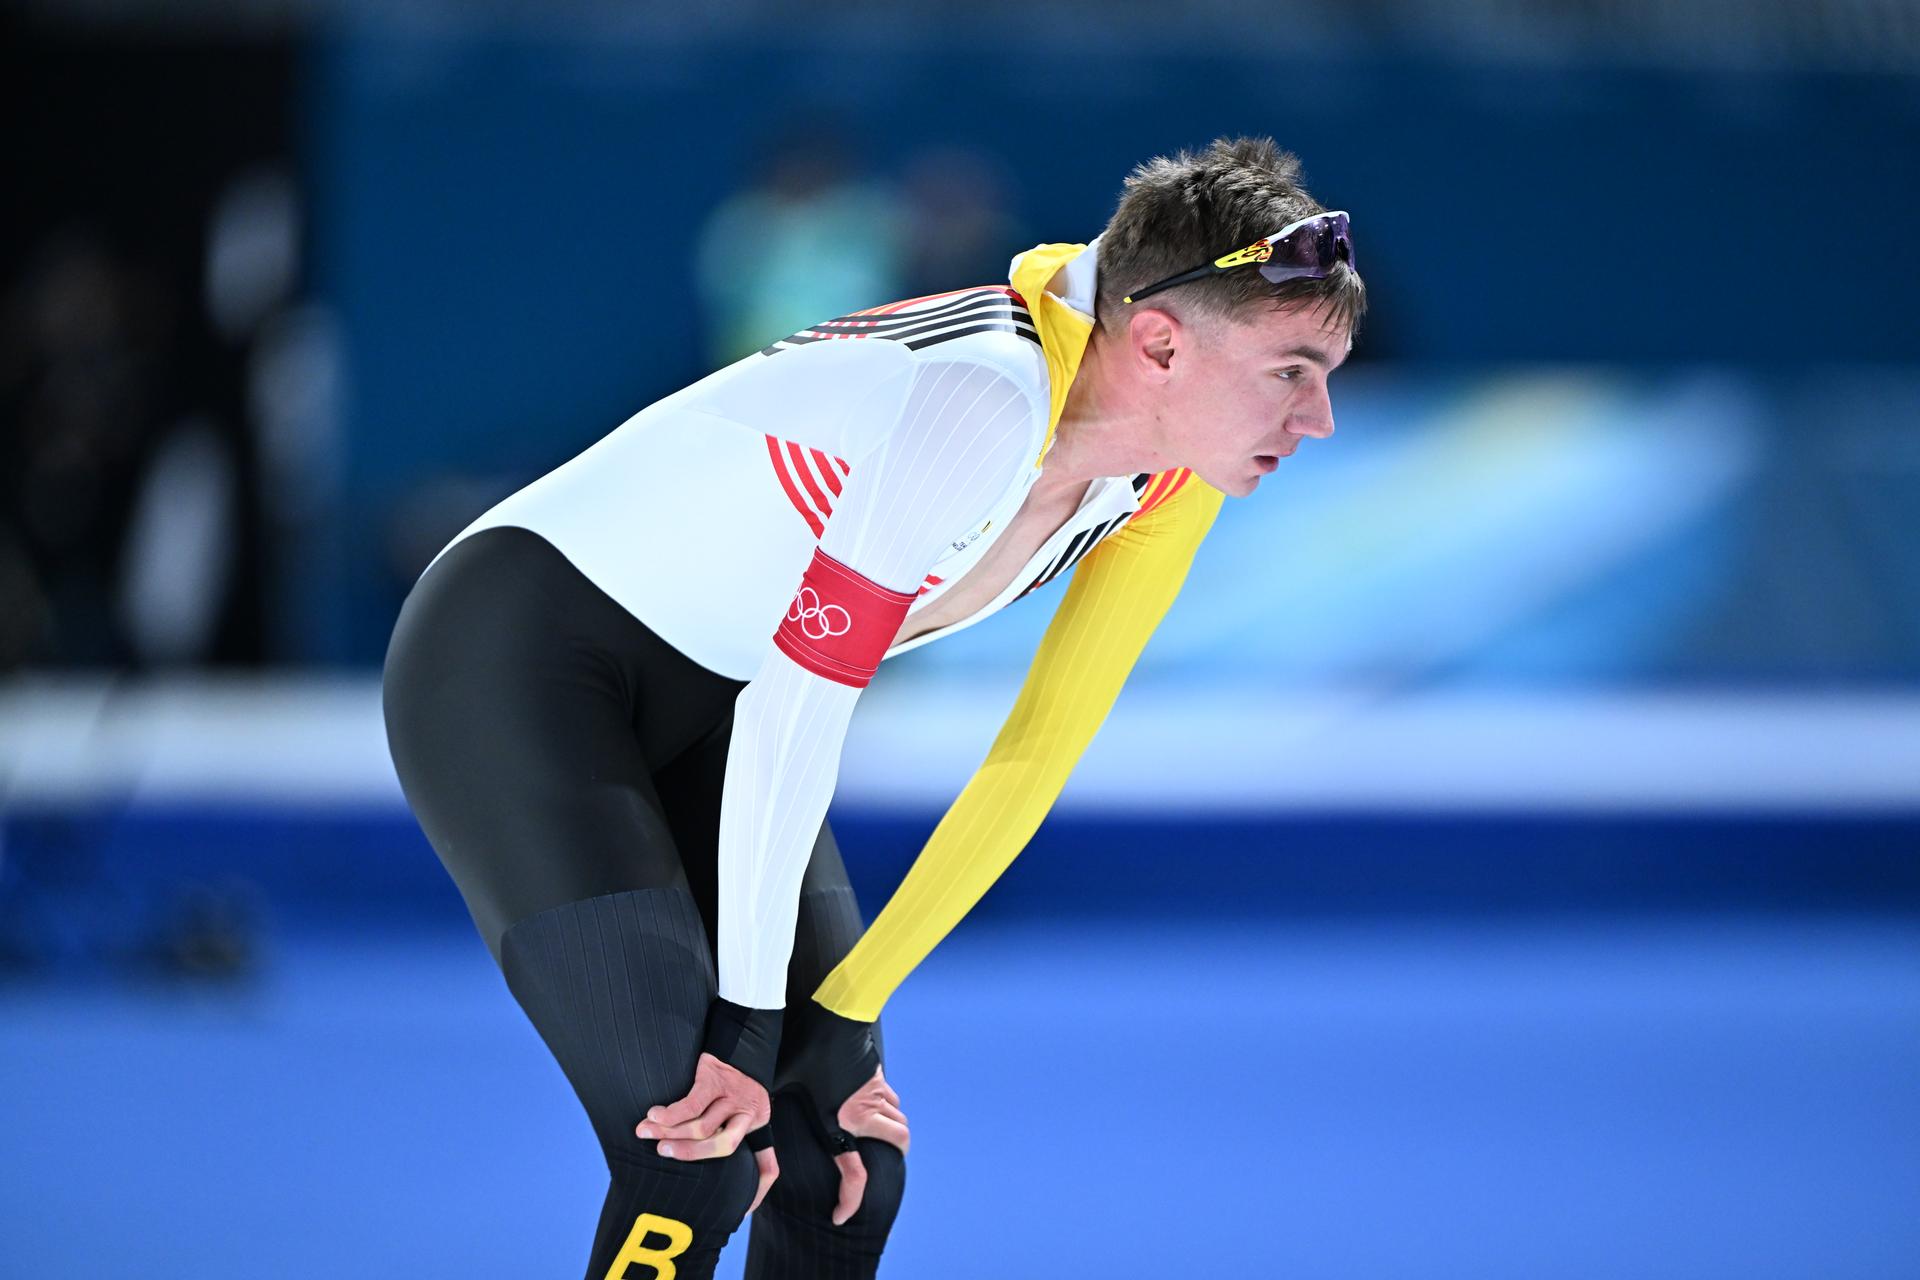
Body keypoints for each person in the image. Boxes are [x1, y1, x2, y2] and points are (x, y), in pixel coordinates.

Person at [382, 134, 1364, 1279]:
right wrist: (750, 1024)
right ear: (1158, 342)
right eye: (1291, 371)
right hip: (519, 662)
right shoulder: (979, 394)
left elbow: (1035, 754)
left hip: (725, 704)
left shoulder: (1169, 476)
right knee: (697, 1152)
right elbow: (803, 702)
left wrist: (844, 1014)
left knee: (843, 1161)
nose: (1318, 417)